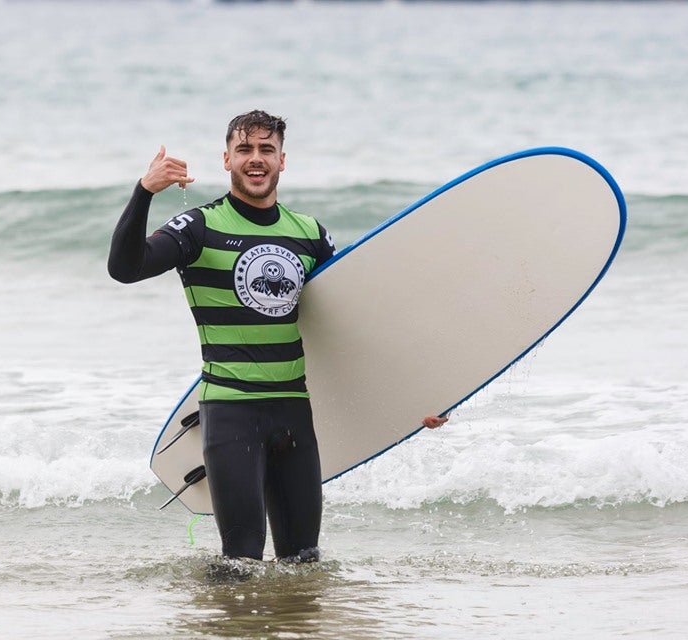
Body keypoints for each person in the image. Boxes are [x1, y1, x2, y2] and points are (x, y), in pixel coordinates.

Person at [108, 110, 448, 562]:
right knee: (242, 561)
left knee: (304, 560)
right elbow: (125, 269)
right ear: (226, 158)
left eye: (266, 150)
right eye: (245, 149)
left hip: (293, 413)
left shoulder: (309, 235)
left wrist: (414, 402)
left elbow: (354, 328)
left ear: (282, 161)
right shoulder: (200, 228)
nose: (256, 159)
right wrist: (144, 192)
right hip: (230, 411)